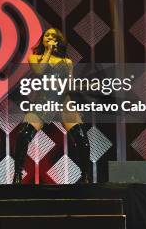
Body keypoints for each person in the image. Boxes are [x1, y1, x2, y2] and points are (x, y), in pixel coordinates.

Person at [12, 28, 93, 184]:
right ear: (43, 40)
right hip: (44, 100)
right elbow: (40, 71)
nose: (49, 37)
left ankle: (86, 176)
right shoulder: (35, 58)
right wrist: (48, 51)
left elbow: (69, 84)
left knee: (81, 137)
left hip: (63, 101)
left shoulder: (67, 62)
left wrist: (85, 85)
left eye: (53, 36)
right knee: (23, 135)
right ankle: (17, 175)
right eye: (46, 35)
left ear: (59, 40)